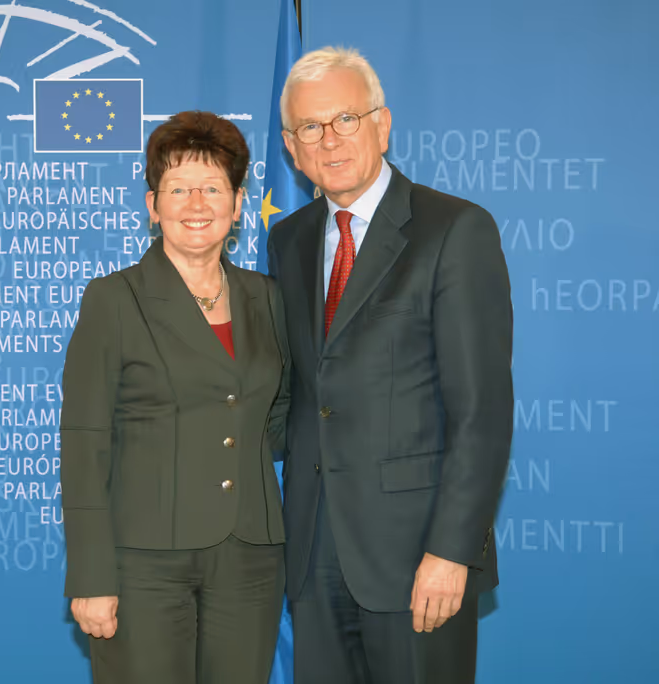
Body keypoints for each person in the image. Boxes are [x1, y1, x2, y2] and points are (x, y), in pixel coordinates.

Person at [266, 46, 514, 684]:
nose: (329, 140)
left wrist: (451, 551)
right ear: (291, 148)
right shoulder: (287, 240)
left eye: (345, 119)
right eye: (309, 129)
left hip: (416, 558)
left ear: (382, 123)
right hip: (314, 555)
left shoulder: (454, 230)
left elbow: (480, 413)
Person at [59, 110, 291, 684]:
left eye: (213, 188)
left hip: (250, 558)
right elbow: (84, 444)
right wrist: (91, 576)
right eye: (179, 188)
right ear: (152, 204)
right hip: (143, 565)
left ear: (237, 204)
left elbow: (281, 413)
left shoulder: (268, 298)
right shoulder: (114, 299)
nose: (196, 203)